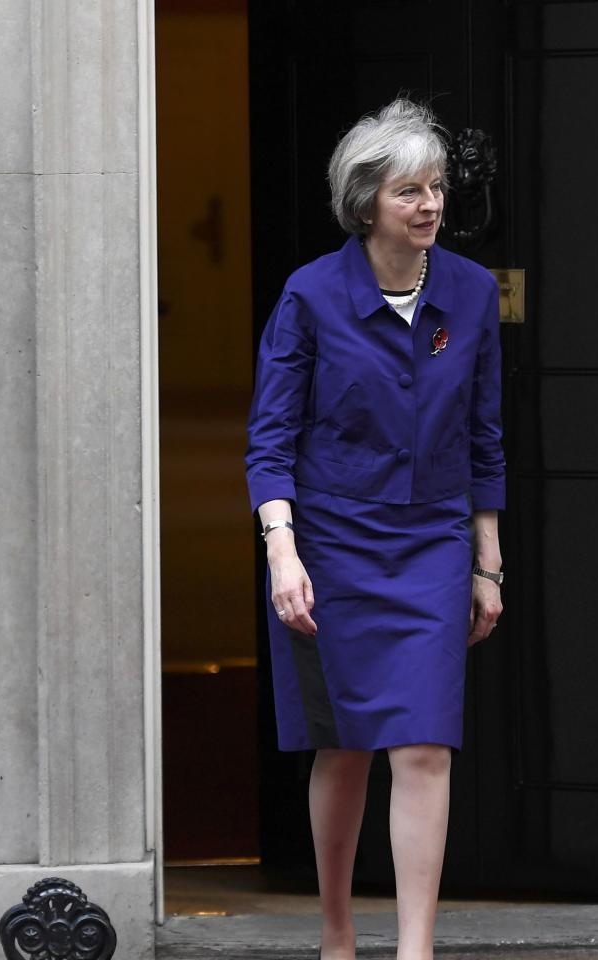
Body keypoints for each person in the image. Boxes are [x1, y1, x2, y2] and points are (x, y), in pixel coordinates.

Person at [244, 96, 506, 960]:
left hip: (431, 541)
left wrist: (486, 564)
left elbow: (484, 436)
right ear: (365, 204)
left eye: (435, 188)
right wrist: (282, 551)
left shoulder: (469, 292)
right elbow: (270, 439)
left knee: (425, 744)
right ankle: (336, 933)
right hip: (329, 546)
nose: (430, 205)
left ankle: (416, 949)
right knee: (346, 747)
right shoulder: (311, 296)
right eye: (409, 192)